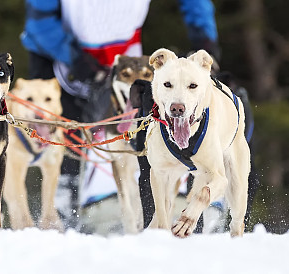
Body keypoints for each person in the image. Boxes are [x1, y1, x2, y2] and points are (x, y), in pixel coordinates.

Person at [21, 0, 222, 232]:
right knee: (63, 129)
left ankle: (148, 203)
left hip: (123, 53)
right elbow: (40, 20)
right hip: (57, 53)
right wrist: (76, 59)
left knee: (136, 128)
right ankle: (64, 194)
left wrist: (204, 39)